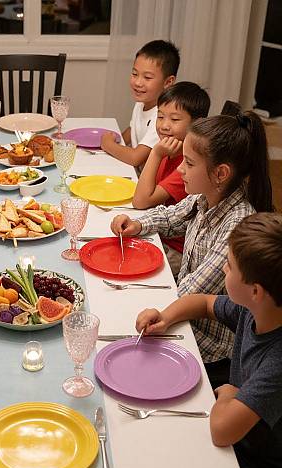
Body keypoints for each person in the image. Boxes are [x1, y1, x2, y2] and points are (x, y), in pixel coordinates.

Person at [111, 111, 274, 387]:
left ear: (220, 173)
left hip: (206, 351)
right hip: (180, 321)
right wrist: (136, 224)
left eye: (188, 163)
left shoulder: (237, 227)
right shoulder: (204, 196)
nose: (180, 170)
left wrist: (135, 308)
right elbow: (170, 217)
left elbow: (191, 291)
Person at [135, 213, 282, 468]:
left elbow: (221, 430)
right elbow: (202, 303)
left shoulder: (277, 360)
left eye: (229, 265)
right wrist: (165, 317)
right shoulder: (254, 310)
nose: (223, 269)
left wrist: (230, 394)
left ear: (255, 291)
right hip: (240, 437)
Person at [132, 81, 210, 276]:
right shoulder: (171, 147)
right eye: (160, 117)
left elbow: (141, 201)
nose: (164, 125)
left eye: (174, 119)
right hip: (157, 232)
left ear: (197, 124)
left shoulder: (186, 163)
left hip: (175, 249)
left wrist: (156, 153)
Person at [101, 39, 180, 169]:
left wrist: (108, 144)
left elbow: (135, 158)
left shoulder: (162, 118)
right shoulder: (143, 102)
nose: (138, 82)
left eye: (147, 77)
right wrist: (116, 139)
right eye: (134, 74)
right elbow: (133, 130)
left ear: (168, 82)